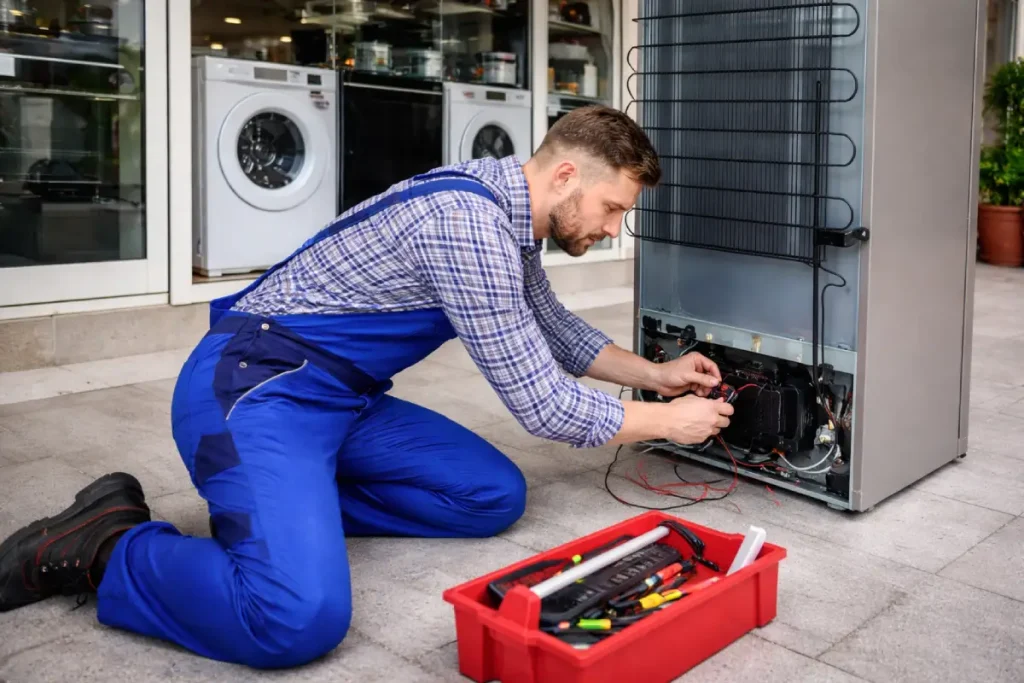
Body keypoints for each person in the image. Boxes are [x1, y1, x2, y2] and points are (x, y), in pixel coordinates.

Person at [0, 106, 734, 667]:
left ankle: (291, 509)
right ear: (567, 177)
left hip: (339, 400)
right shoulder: (468, 224)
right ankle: (104, 546)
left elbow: (554, 329)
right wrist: (667, 423)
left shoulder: (508, 219)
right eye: (614, 208)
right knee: (294, 618)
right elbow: (543, 406)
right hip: (253, 391)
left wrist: (658, 376)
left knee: (490, 495)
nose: (613, 228)